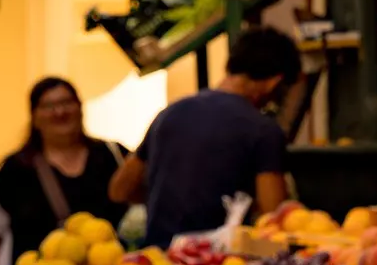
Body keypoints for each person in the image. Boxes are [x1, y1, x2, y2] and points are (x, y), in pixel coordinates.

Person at [111, 26, 302, 247]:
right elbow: (273, 217)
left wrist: (165, 197)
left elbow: (119, 189)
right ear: (274, 83)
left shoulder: (170, 114)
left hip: (159, 263)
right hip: (216, 264)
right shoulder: (263, 130)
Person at [0, 77, 128, 265]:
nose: (60, 112)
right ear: (34, 116)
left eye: (66, 103)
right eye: (49, 106)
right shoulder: (15, 171)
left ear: (80, 107)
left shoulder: (113, 156)